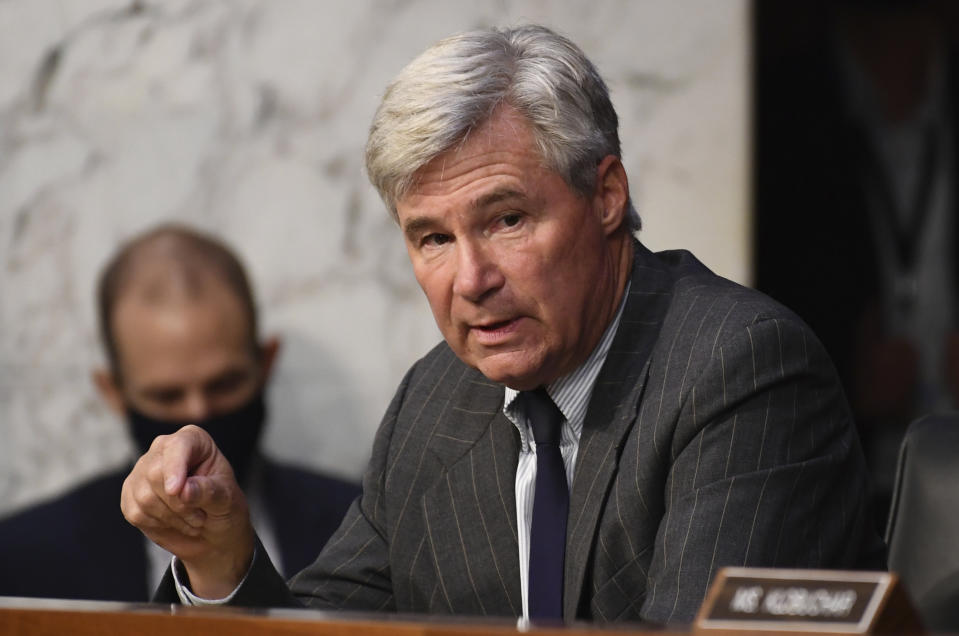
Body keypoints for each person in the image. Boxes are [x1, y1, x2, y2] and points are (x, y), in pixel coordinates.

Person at [121, 26, 885, 624]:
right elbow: (325, 631)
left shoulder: (741, 371)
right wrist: (218, 559)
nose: (472, 279)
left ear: (606, 193)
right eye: (432, 239)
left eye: (507, 218)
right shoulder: (437, 399)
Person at [0, 224, 360, 602]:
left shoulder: (360, 528)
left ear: (265, 364)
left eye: (224, 385)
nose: (197, 417)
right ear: (113, 391)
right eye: (166, 396)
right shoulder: (23, 556)